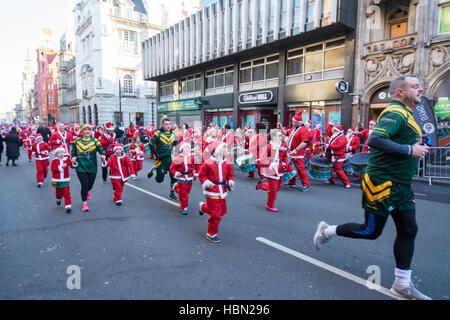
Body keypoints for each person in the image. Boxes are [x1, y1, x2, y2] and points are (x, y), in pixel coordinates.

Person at [313, 75, 432, 300]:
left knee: (409, 229)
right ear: (400, 92)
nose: (421, 89)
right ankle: (326, 231)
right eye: (415, 86)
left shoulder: (407, 114)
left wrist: (416, 147)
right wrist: (410, 151)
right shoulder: (395, 112)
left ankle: (402, 284)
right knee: (370, 231)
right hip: (382, 184)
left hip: (401, 185)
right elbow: (374, 140)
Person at [198, 140, 235, 243]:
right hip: (211, 191)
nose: (225, 150)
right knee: (216, 214)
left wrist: (230, 181)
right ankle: (211, 233)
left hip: (222, 191)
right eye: (223, 148)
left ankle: (202, 206)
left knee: (222, 211)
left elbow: (230, 175)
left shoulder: (226, 161)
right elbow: (201, 175)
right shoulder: (208, 162)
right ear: (217, 150)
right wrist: (207, 182)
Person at [71, 124, 106, 212]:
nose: (87, 131)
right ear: (82, 131)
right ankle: (84, 204)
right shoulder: (77, 141)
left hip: (92, 167)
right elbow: (73, 151)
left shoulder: (95, 141)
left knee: (90, 184)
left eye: (89, 130)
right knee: (84, 184)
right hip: (80, 167)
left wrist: (103, 155)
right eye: (85, 130)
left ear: (91, 131)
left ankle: (88, 191)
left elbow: (101, 149)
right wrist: (73, 157)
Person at [257, 129, 294, 212]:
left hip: (280, 168)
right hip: (270, 169)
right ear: (273, 137)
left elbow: (285, 157)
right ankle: (269, 205)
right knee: (273, 189)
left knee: (277, 188)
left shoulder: (283, 146)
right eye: (279, 135)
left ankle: (262, 185)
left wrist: (288, 167)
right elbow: (262, 159)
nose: (282, 137)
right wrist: (270, 164)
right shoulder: (268, 147)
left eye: (281, 135)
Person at [147, 118, 179, 200]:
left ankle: (172, 193)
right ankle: (154, 170)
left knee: (174, 177)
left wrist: (178, 154)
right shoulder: (157, 133)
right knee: (159, 180)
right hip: (161, 159)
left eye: (169, 124)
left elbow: (177, 144)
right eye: (166, 124)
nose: (168, 126)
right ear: (162, 125)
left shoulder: (173, 134)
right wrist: (156, 155)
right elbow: (151, 144)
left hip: (171, 159)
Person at [278, 112, 310, 191]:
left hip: (298, 153)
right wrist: (281, 127)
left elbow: (304, 142)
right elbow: (286, 133)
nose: (292, 122)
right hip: (291, 152)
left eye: (293, 121)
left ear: (297, 122)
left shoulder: (303, 130)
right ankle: (292, 183)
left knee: (300, 169)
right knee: (290, 167)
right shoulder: (293, 128)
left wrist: (296, 149)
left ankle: (306, 185)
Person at [169, 142, 201, 215]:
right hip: (181, 177)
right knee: (184, 194)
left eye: (188, 148)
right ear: (182, 149)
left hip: (190, 177)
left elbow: (198, 166)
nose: (187, 149)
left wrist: (196, 173)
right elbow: (172, 168)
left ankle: (176, 187)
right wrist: (176, 173)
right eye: (185, 148)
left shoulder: (192, 157)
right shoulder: (178, 158)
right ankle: (184, 207)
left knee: (187, 191)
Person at [51, 147, 76, 213]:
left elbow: (72, 166)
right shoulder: (54, 161)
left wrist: (74, 162)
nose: (61, 154)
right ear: (56, 155)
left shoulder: (66, 159)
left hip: (65, 179)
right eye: (59, 153)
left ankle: (68, 205)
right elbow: (53, 170)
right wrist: (61, 167)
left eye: (62, 152)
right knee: (58, 192)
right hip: (56, 180)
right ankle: (58, 198)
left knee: (66, 192)